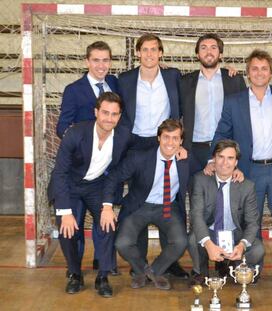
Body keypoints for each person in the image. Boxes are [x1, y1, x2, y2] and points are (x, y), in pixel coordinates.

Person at [207, 49, 272, 285]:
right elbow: (220, 134)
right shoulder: (234, 101)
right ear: (247, 73)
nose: (259, 73)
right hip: (248, 171)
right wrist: (213, 161)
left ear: (271, 72)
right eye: (254, 68)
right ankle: (251, 268)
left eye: (264, 68)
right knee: (250, 223)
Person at [117, 33, 188, 278]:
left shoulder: (172, 75)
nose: (149, 54)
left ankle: (169, 262)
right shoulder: (124, 79)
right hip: (137, 144)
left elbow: (190, 92)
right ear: (138, 53)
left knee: (170, 196)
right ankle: (140, 261)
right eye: (145, 49)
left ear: (161, 53)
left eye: (154, 49)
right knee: (140, 199)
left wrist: (228, 71)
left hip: (166, 141)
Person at [48, 92, 130, 297]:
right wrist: (65, 211)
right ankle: (75, 274)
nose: (109, 118)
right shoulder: (76, 133)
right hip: (69, 185)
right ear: (96, 112)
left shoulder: (123, 136)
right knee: (68, 229)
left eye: (114, 114)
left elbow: (145, 149)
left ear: (119, 117)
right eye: (105, 113)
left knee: (108, 224)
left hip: (97, 186)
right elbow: (60, 173)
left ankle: (103, 276)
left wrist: (108, 206)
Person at [101, 119, 189, 290]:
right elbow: (113, 177)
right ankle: (143, 270)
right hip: (140, 205)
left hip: (168, 206)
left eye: (175, 138)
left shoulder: (185, 159)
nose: (170, 143)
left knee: (180, 241)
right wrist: (107, 206)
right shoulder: (139, 157)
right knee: (122, 243)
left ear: (181, 141)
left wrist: (231, 169)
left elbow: (210, 168)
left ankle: (153, 271)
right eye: (166, 137)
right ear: (158, 138)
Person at [55, 41, 119, 274]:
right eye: (96, 60)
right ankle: (75, 271)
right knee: (73, 226)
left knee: (107, 222)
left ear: (110, 62)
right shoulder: (74, 89)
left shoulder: (114, 83)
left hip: (102, 174)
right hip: (77, 169)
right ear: (87, 61)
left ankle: (104, 266)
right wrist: (79, 144)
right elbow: (62, 125)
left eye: (105, 60)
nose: (101, 65)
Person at [189, 140, 264, 285]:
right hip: (211, 231)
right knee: (193, 239)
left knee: (258, 249)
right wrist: (209, 244)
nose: (225, 162)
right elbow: (196, 215)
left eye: (230, 158)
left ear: (236, 162)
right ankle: (200, 272)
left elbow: (253, 223)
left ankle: (233, 266)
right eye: (220, 157)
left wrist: (241, 245)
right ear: (214, 159)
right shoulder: (200, 180)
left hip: (235, 233)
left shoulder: (247, 186)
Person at [180, 33, 246, 175]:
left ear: (220, 54)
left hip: (226, 149)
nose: (208, 51)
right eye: (203, 48)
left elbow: (244, 115)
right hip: (195, 150)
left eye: (213, 48)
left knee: (223, 196)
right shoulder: (185, 82)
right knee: (196, 194)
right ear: (197, 54)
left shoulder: (234, 80)